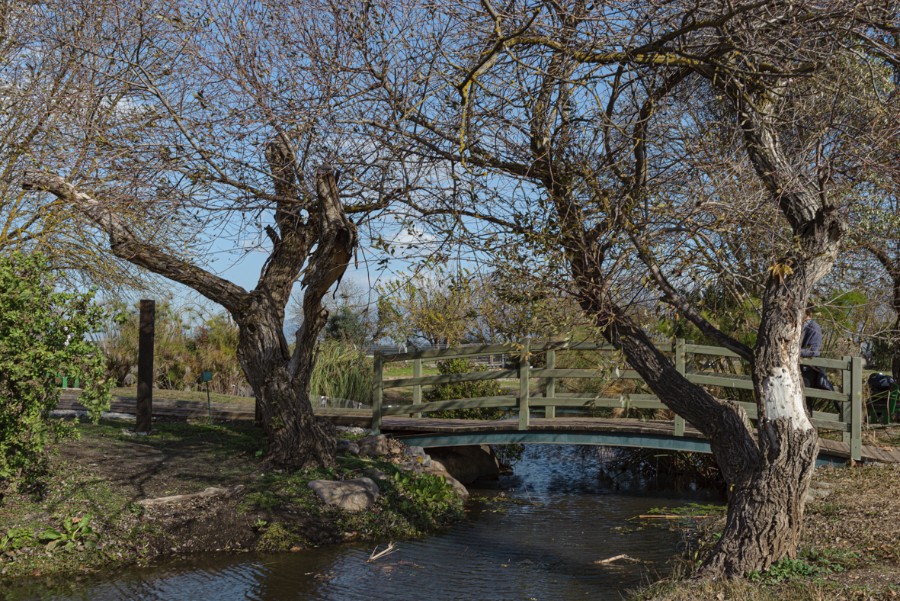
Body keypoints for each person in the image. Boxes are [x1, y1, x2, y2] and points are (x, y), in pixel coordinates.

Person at [800, 306, 834, 413]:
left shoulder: (814, 328)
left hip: (808, 370)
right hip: (800, 368)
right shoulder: (801, 327)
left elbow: (814, 351)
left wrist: (794, 351)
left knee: (805, 399)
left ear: (808, 314)